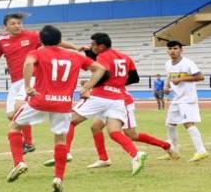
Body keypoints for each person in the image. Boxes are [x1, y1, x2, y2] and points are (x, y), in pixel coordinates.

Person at [5, 25, 106, 192]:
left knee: (14, 127)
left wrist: (28, 86)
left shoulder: (37, 52)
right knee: (60, 140)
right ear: (60, 40)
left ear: (41, 40)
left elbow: (28, 63)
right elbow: (101, 69)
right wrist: (87, 87)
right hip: (63, 104)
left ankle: (19, 163)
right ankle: (58, 177)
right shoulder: (75, 56)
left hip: (39, 100)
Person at [0, 13, 87, 154]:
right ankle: (29, 140)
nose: (17, 26)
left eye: (19, 23)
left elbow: (56, 42)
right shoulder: (2, 41)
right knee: (11, 115)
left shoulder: (32, 36)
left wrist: (76, 47)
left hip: (31, 78)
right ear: (5, 26)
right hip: (15, 82)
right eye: (13, 23)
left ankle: (28, 143)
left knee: (19, 108)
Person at [52, 32, 148, 175]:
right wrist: (116, 83)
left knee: (70, 120)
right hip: (118, 98)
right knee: (115, 132)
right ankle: (135, 154)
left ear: (101, 46)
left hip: (101, 96)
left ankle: (65, 152)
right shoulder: (124, 56)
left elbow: (103, 73)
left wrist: (89, 86)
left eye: (93, 44)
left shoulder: (103, 56)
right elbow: (134, 78)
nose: (91, 46)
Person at [81, 85, 178, 169]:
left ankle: (166, 145)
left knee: (131, 135)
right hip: (107, 100)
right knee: (95, 127)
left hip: (122, 103)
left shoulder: (104, 67)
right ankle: (103, 158)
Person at [161, 40, 208, 162]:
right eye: (170, 49)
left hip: (188, 99)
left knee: (188, 123)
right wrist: (167, 86)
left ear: (181, 50)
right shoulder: (168, 64)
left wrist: (183, 78)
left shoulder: (188, 63)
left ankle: (201, 151)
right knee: (170, 124)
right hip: (177, 99)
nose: (172, 51)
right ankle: (173, 150)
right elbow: (169, 76)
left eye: (175, 48)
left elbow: (200, 76)